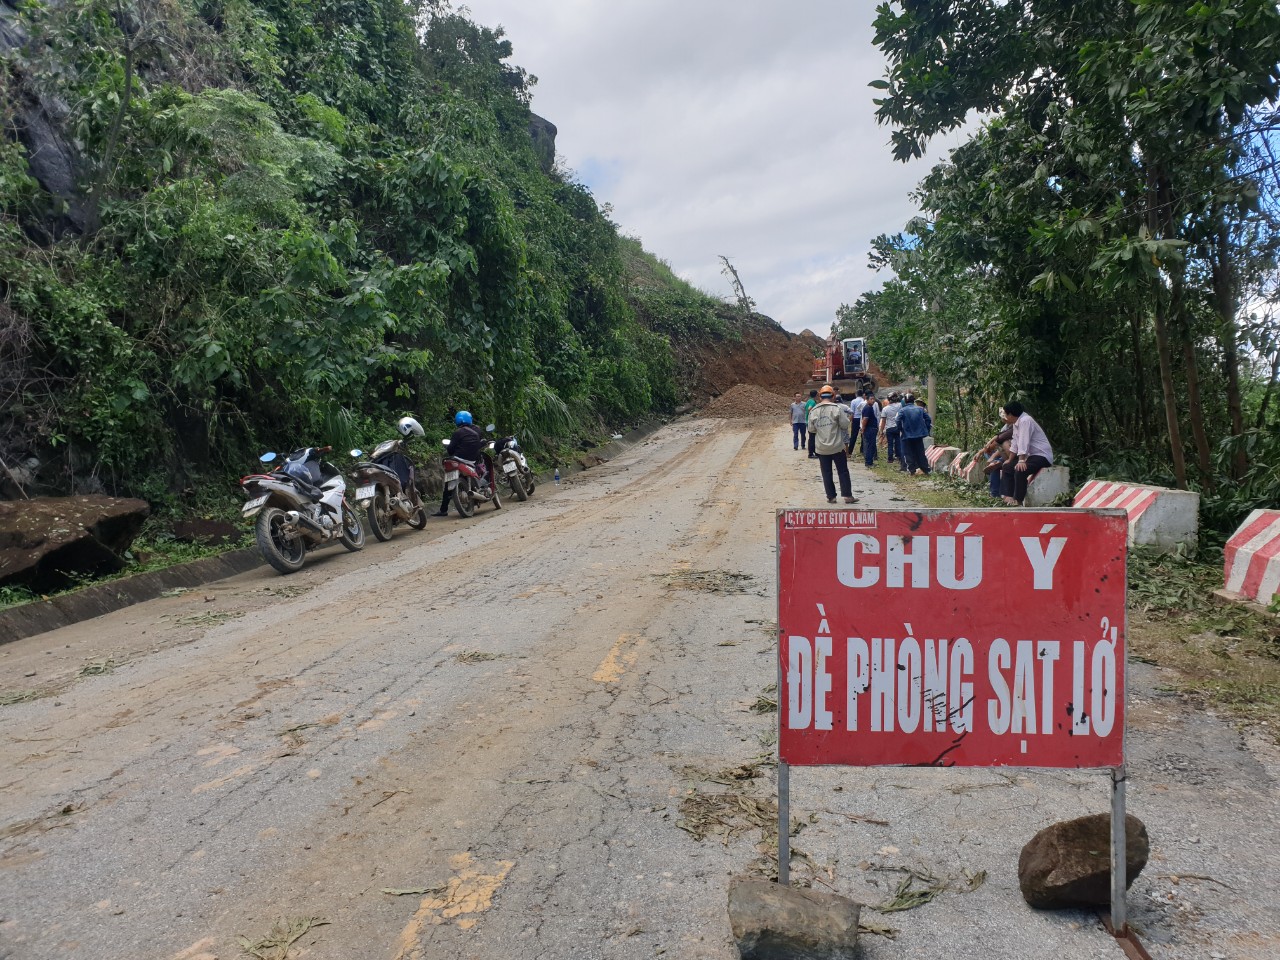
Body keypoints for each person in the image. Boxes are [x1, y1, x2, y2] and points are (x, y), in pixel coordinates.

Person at [807, 385, 855, 504]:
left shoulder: (814, 411)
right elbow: (844, 425)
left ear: (819, 396)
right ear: (833, 396)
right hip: (837, 447)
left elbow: (811, 429)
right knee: (843, 471)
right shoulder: (837, 409)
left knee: (826, 472)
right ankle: (848, 496)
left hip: (822, 448)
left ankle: (831, 497)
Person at [999, 401, 1053, 506]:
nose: (1005, 417)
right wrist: (1010, 460)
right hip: (1031, 456)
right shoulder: (1016, 423)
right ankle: (1008, 497)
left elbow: (1024, 441)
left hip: (1041, 455)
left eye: (1005, 414)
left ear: (1010, 414)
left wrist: (1021, 460)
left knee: (1020, 469)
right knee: (1007, 467)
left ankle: (1018, 500)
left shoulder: (1025, 421)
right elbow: (1015, 443)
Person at [434, 410, 487, 516]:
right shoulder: (476, 433)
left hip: (457, 460)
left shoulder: (457, 433)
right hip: (471, 461)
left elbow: (450, 449)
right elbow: (478, 448)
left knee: (447, 483)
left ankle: (443, 510)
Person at [897, 393, 931, 475]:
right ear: (913, 400)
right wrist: (926, 429)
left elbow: (897, 420)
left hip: (907, 435)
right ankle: (926, 470)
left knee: (908, 453)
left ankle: (912, 471)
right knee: (920, 453)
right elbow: (928, 419)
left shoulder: (902, 410)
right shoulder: (920, 409)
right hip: (919, 435)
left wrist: (901, 429)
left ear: (905, 401)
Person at [881, 392, 903, 465]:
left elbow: (883, 421)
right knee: (898, 442)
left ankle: (890, 459)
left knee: (890, 444)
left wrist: (881, 430)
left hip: (889, 428)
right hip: (897, 427)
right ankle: (899, 457)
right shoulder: (900, 405)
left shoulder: (885, 409)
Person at [859, 389, 880, 467]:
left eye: (874, 399)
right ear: (867, 400)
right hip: (869, 429)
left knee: (870, 445)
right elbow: (865, 419)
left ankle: (869, 461)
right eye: (871, 399)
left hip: (871, 428)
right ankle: (868, 462)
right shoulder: (867, 408)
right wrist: (863, 429)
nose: (873, 401)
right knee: (870, 446)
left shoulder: (870, 407)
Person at [805, 390, 819, 458]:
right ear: (816, 395)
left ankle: (814, 452)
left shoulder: (808, 401)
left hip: (808, 421)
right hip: (811, 422)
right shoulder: (812, 402)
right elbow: (809, 408)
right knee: (812, 438)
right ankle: (811, 453)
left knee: (812, 437)